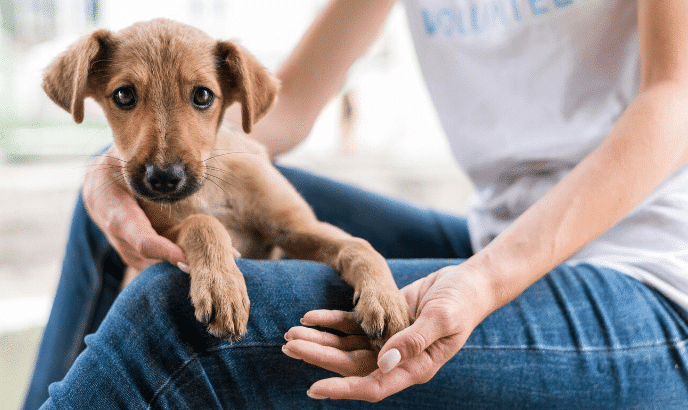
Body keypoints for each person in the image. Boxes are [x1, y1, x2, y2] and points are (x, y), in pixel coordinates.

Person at [23, 0, 688, 408]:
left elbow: (676, 98)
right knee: (113, 203)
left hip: (648, 276)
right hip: (492, 235)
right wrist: (111, 170)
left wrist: (485, 280)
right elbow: (282, 114)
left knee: (173, 317)